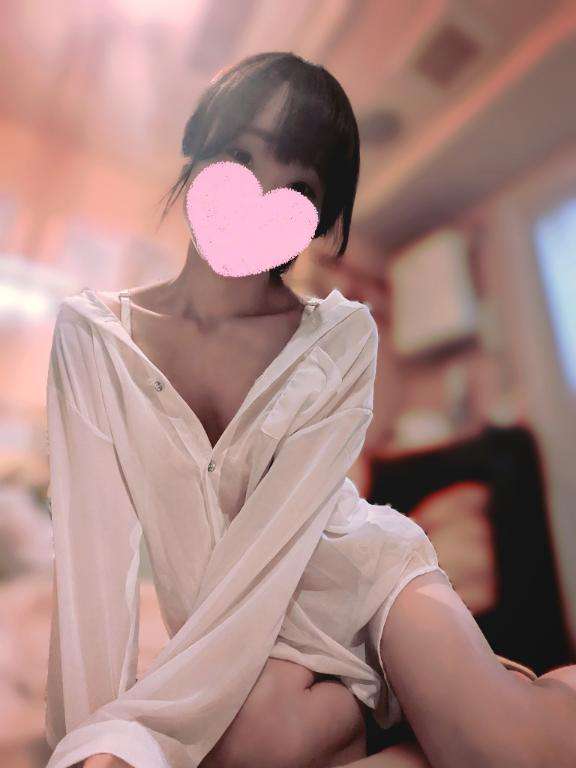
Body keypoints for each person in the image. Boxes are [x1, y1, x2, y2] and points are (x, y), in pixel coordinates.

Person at [44, 52, 576, 768]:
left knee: (503, 753)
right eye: (240, 154)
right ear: (196, 147)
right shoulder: (94, 340)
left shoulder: (339, 337)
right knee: (242, 755)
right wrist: (98, 741)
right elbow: (93, 565)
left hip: (363, 580)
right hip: (248, 637)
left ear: (315, 221)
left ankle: (523, 697)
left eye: (298, 187)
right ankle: (407, 718)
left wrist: (148, 726)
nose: (260, 194)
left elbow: (281, 534)